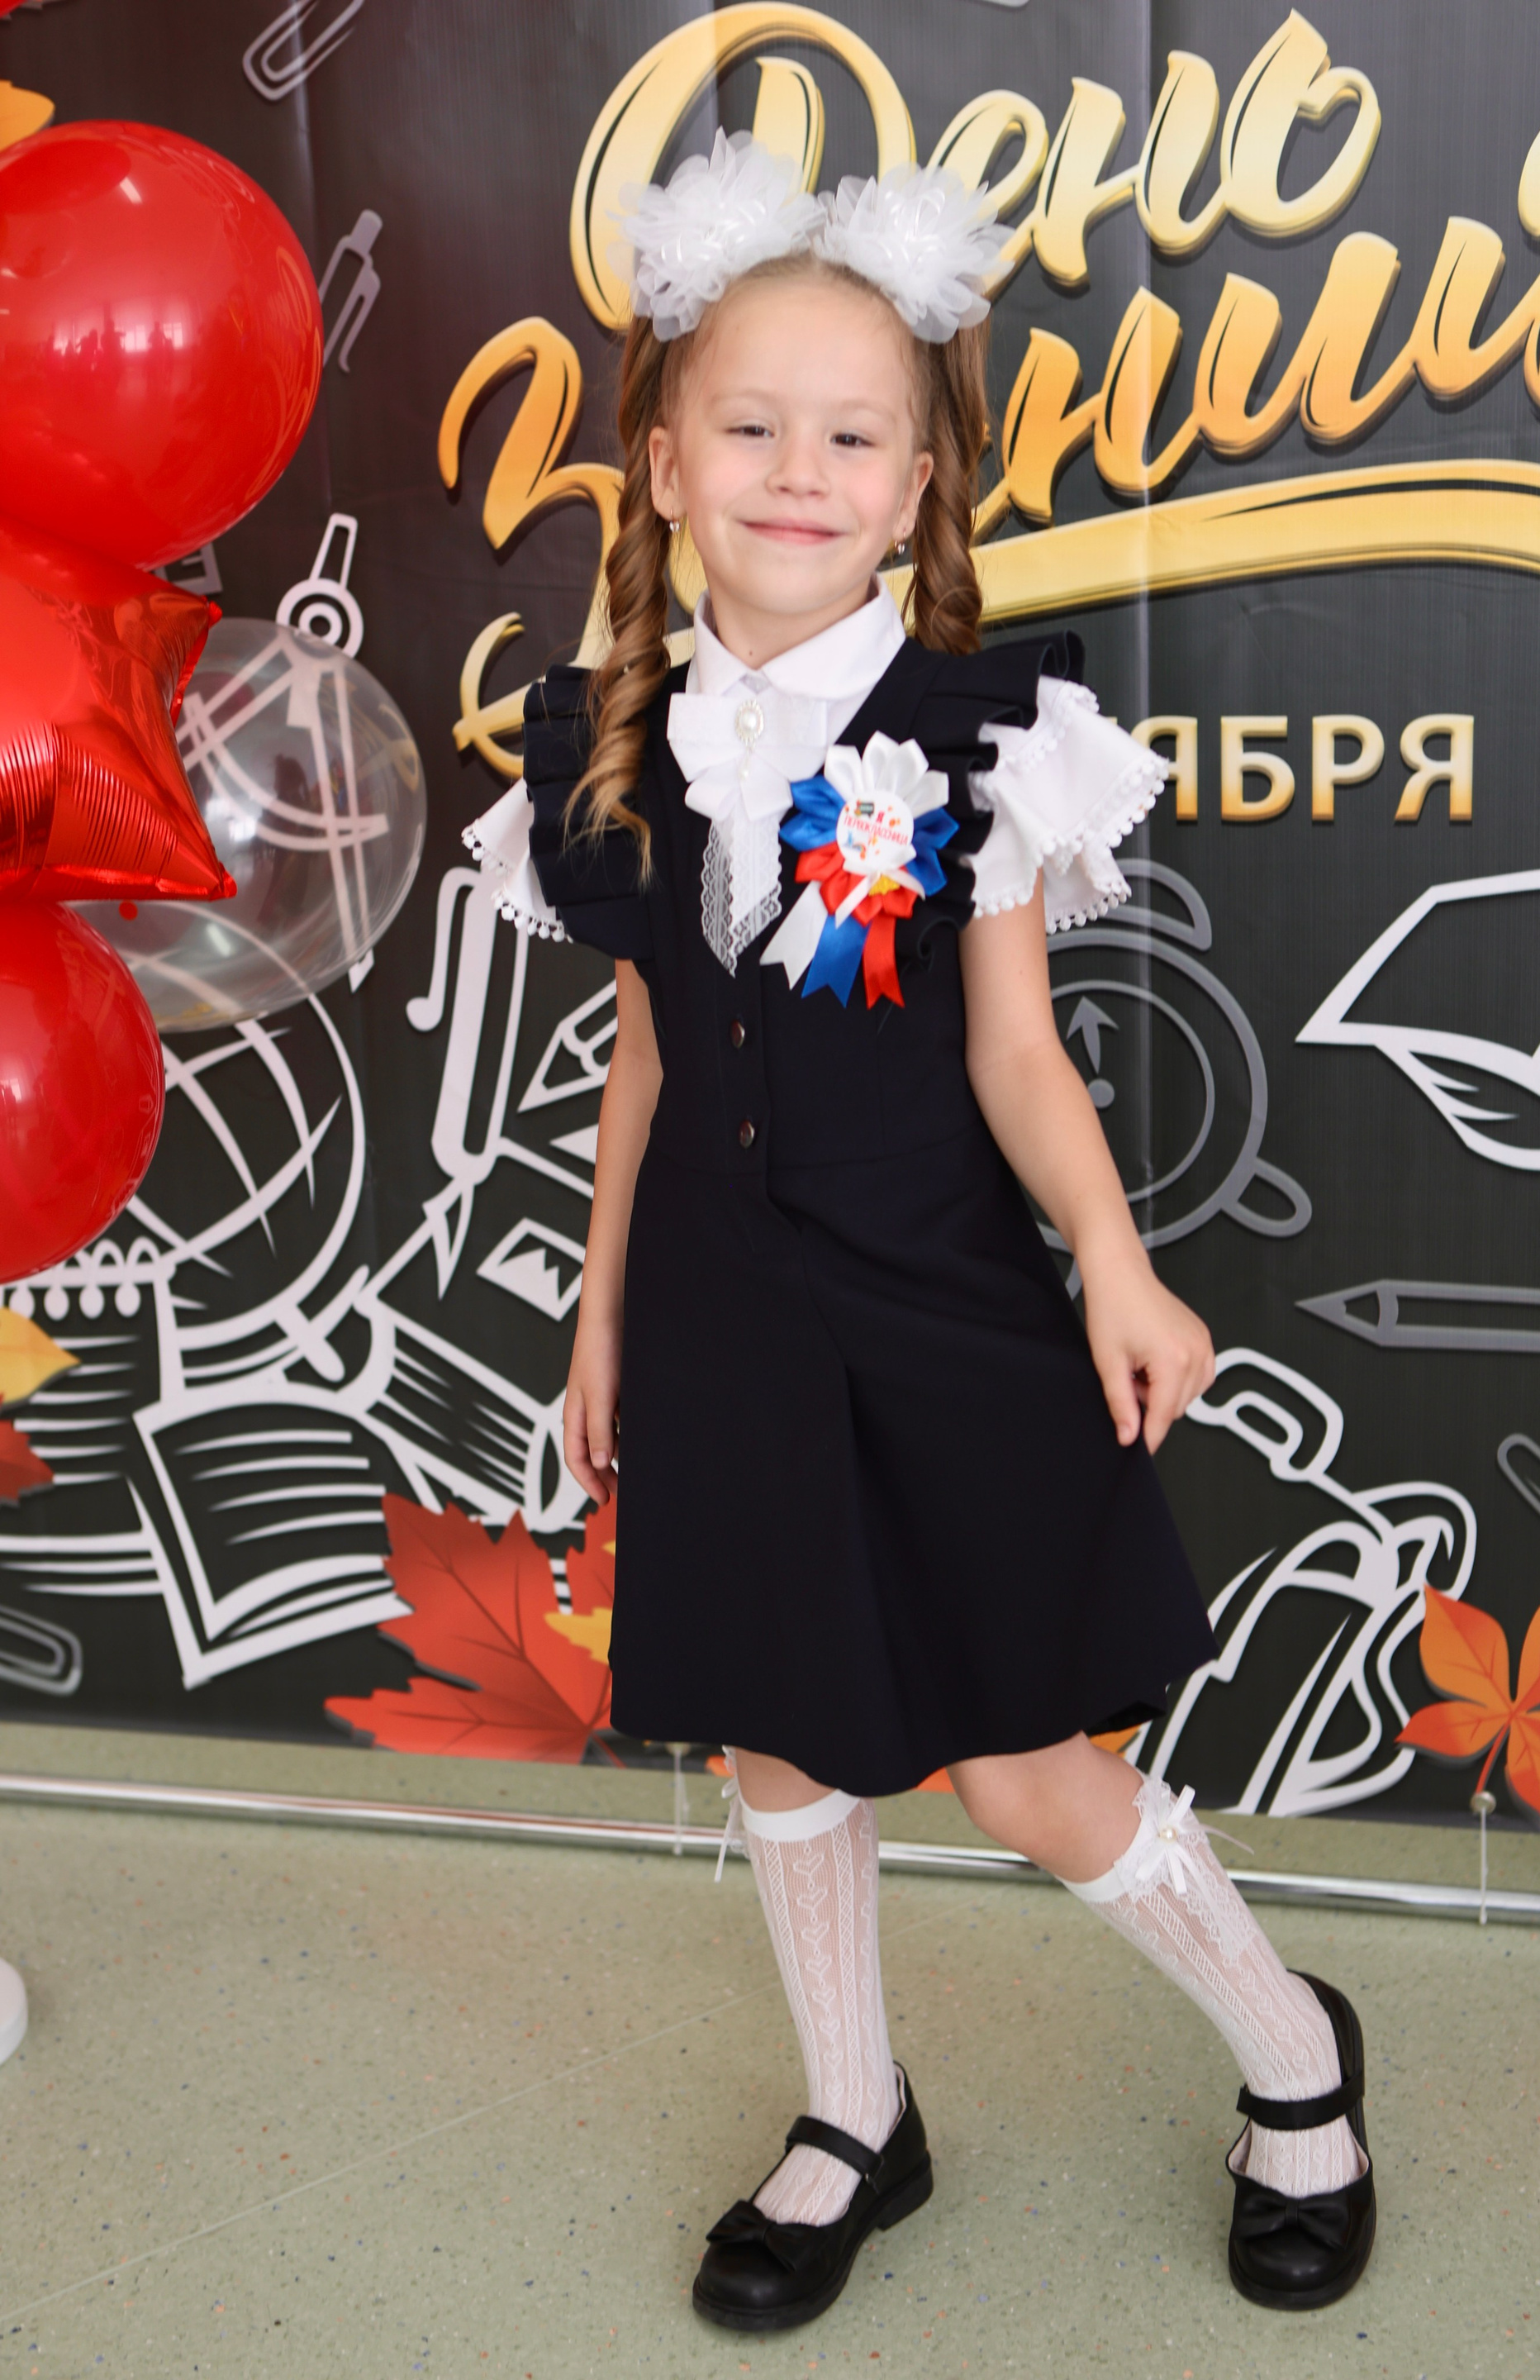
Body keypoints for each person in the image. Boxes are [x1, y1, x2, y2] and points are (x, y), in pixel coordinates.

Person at [466, 132, 1375, 2331]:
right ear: (665, 465)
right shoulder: (604, 759)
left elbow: (1018, 1055)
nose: (802, 469)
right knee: (777, 1735)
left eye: (854, 437)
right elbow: (648, 1061)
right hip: (720, 1322)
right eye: (752, 427)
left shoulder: (981, 739)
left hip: (942, 1315)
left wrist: (1119, 1263)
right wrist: (601, 1320)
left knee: (1025, 1768)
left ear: (915, 488)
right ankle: (856, 2113)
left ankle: (1297, 2059)